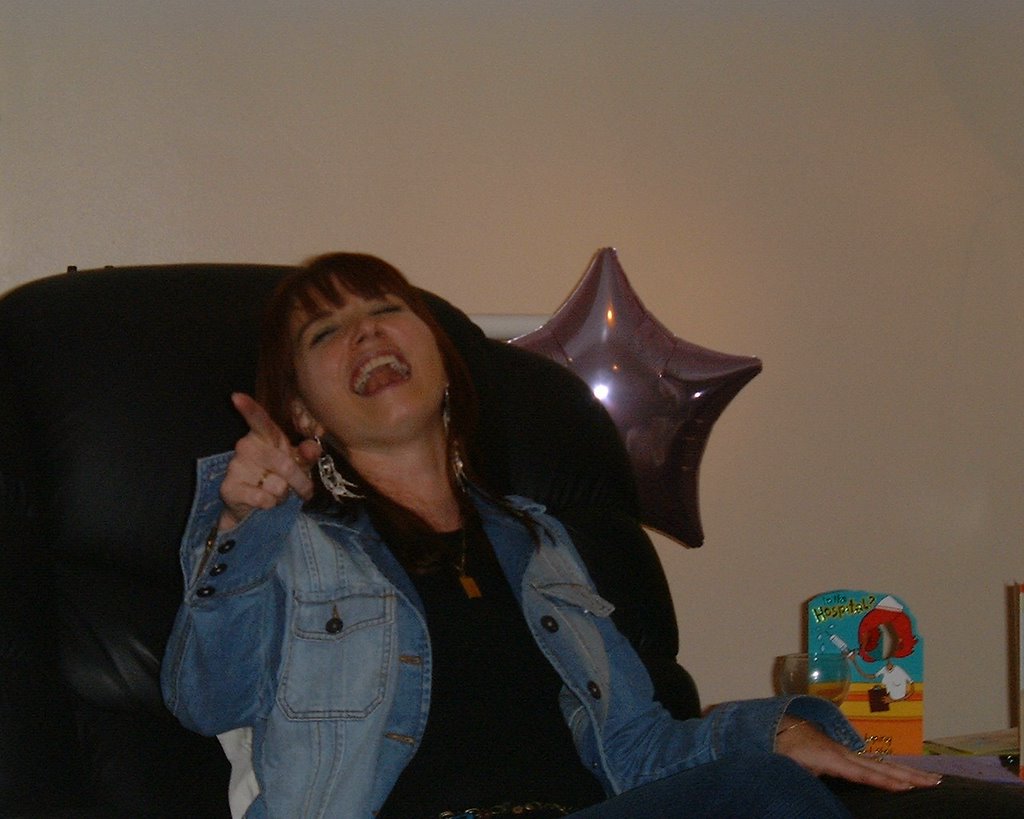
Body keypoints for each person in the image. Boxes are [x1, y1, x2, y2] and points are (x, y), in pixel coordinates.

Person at [162, 253, 1020, 818]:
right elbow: (208, 700)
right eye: (326, 332)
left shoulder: (540, 542)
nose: (366, 333)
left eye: (386, 309)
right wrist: (244, 531)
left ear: (442, 358)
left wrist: (769, 733)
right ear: (304, 409)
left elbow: (636, 746)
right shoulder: (291, 545)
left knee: (766, 782)